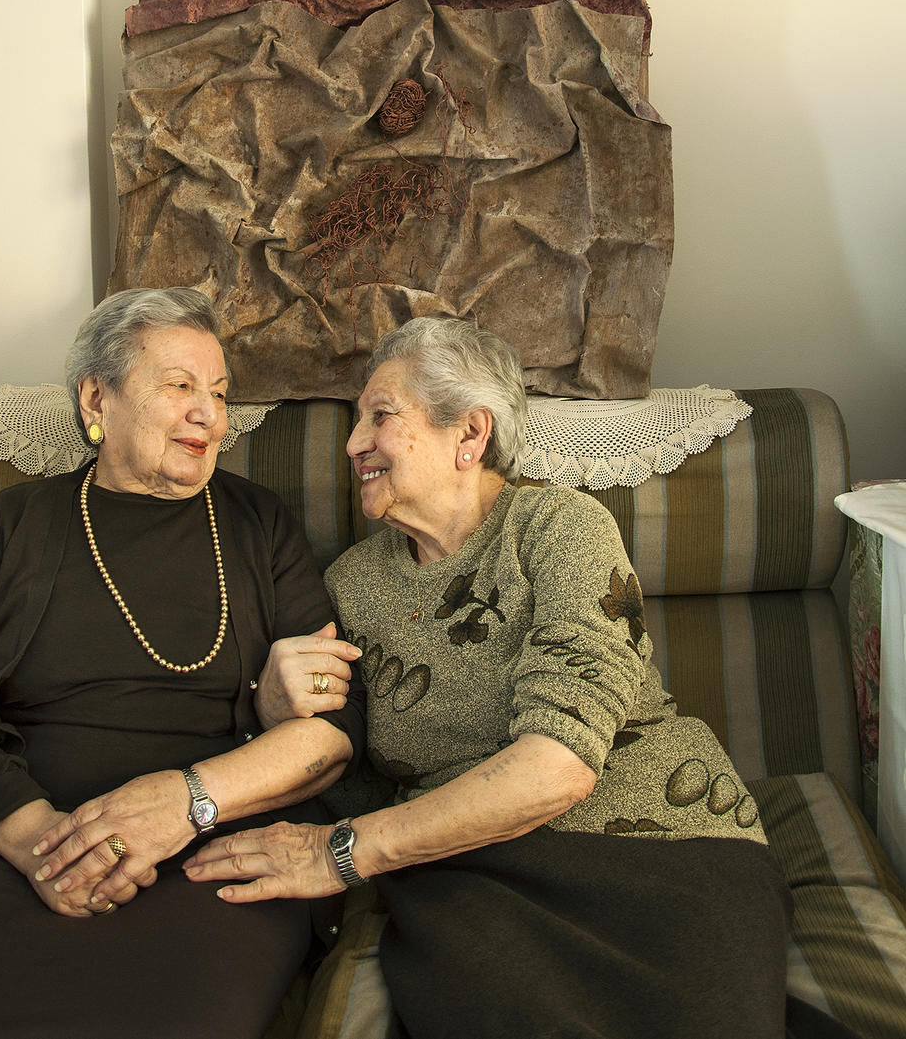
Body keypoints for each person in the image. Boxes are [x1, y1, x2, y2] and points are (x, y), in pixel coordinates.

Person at [182, 315, 811, 1039]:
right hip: (469, 874)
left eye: (380, 416)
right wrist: (272, 704)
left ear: (470, 434)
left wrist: (341, 854)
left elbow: (560, 767)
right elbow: (346, 770)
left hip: (661, 853)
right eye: (358, 421)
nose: (354, 443)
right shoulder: (350, 585)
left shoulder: (559, 528)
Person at [0, 288, 363, 1039]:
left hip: (208, 855)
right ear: (98, 396)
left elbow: (335, 733)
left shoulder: (259, 526)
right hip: (6, 840)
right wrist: (33, 837)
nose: (209, 415)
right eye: (180, 385)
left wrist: (187, 800)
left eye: (218, 393)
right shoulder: (16, 524)